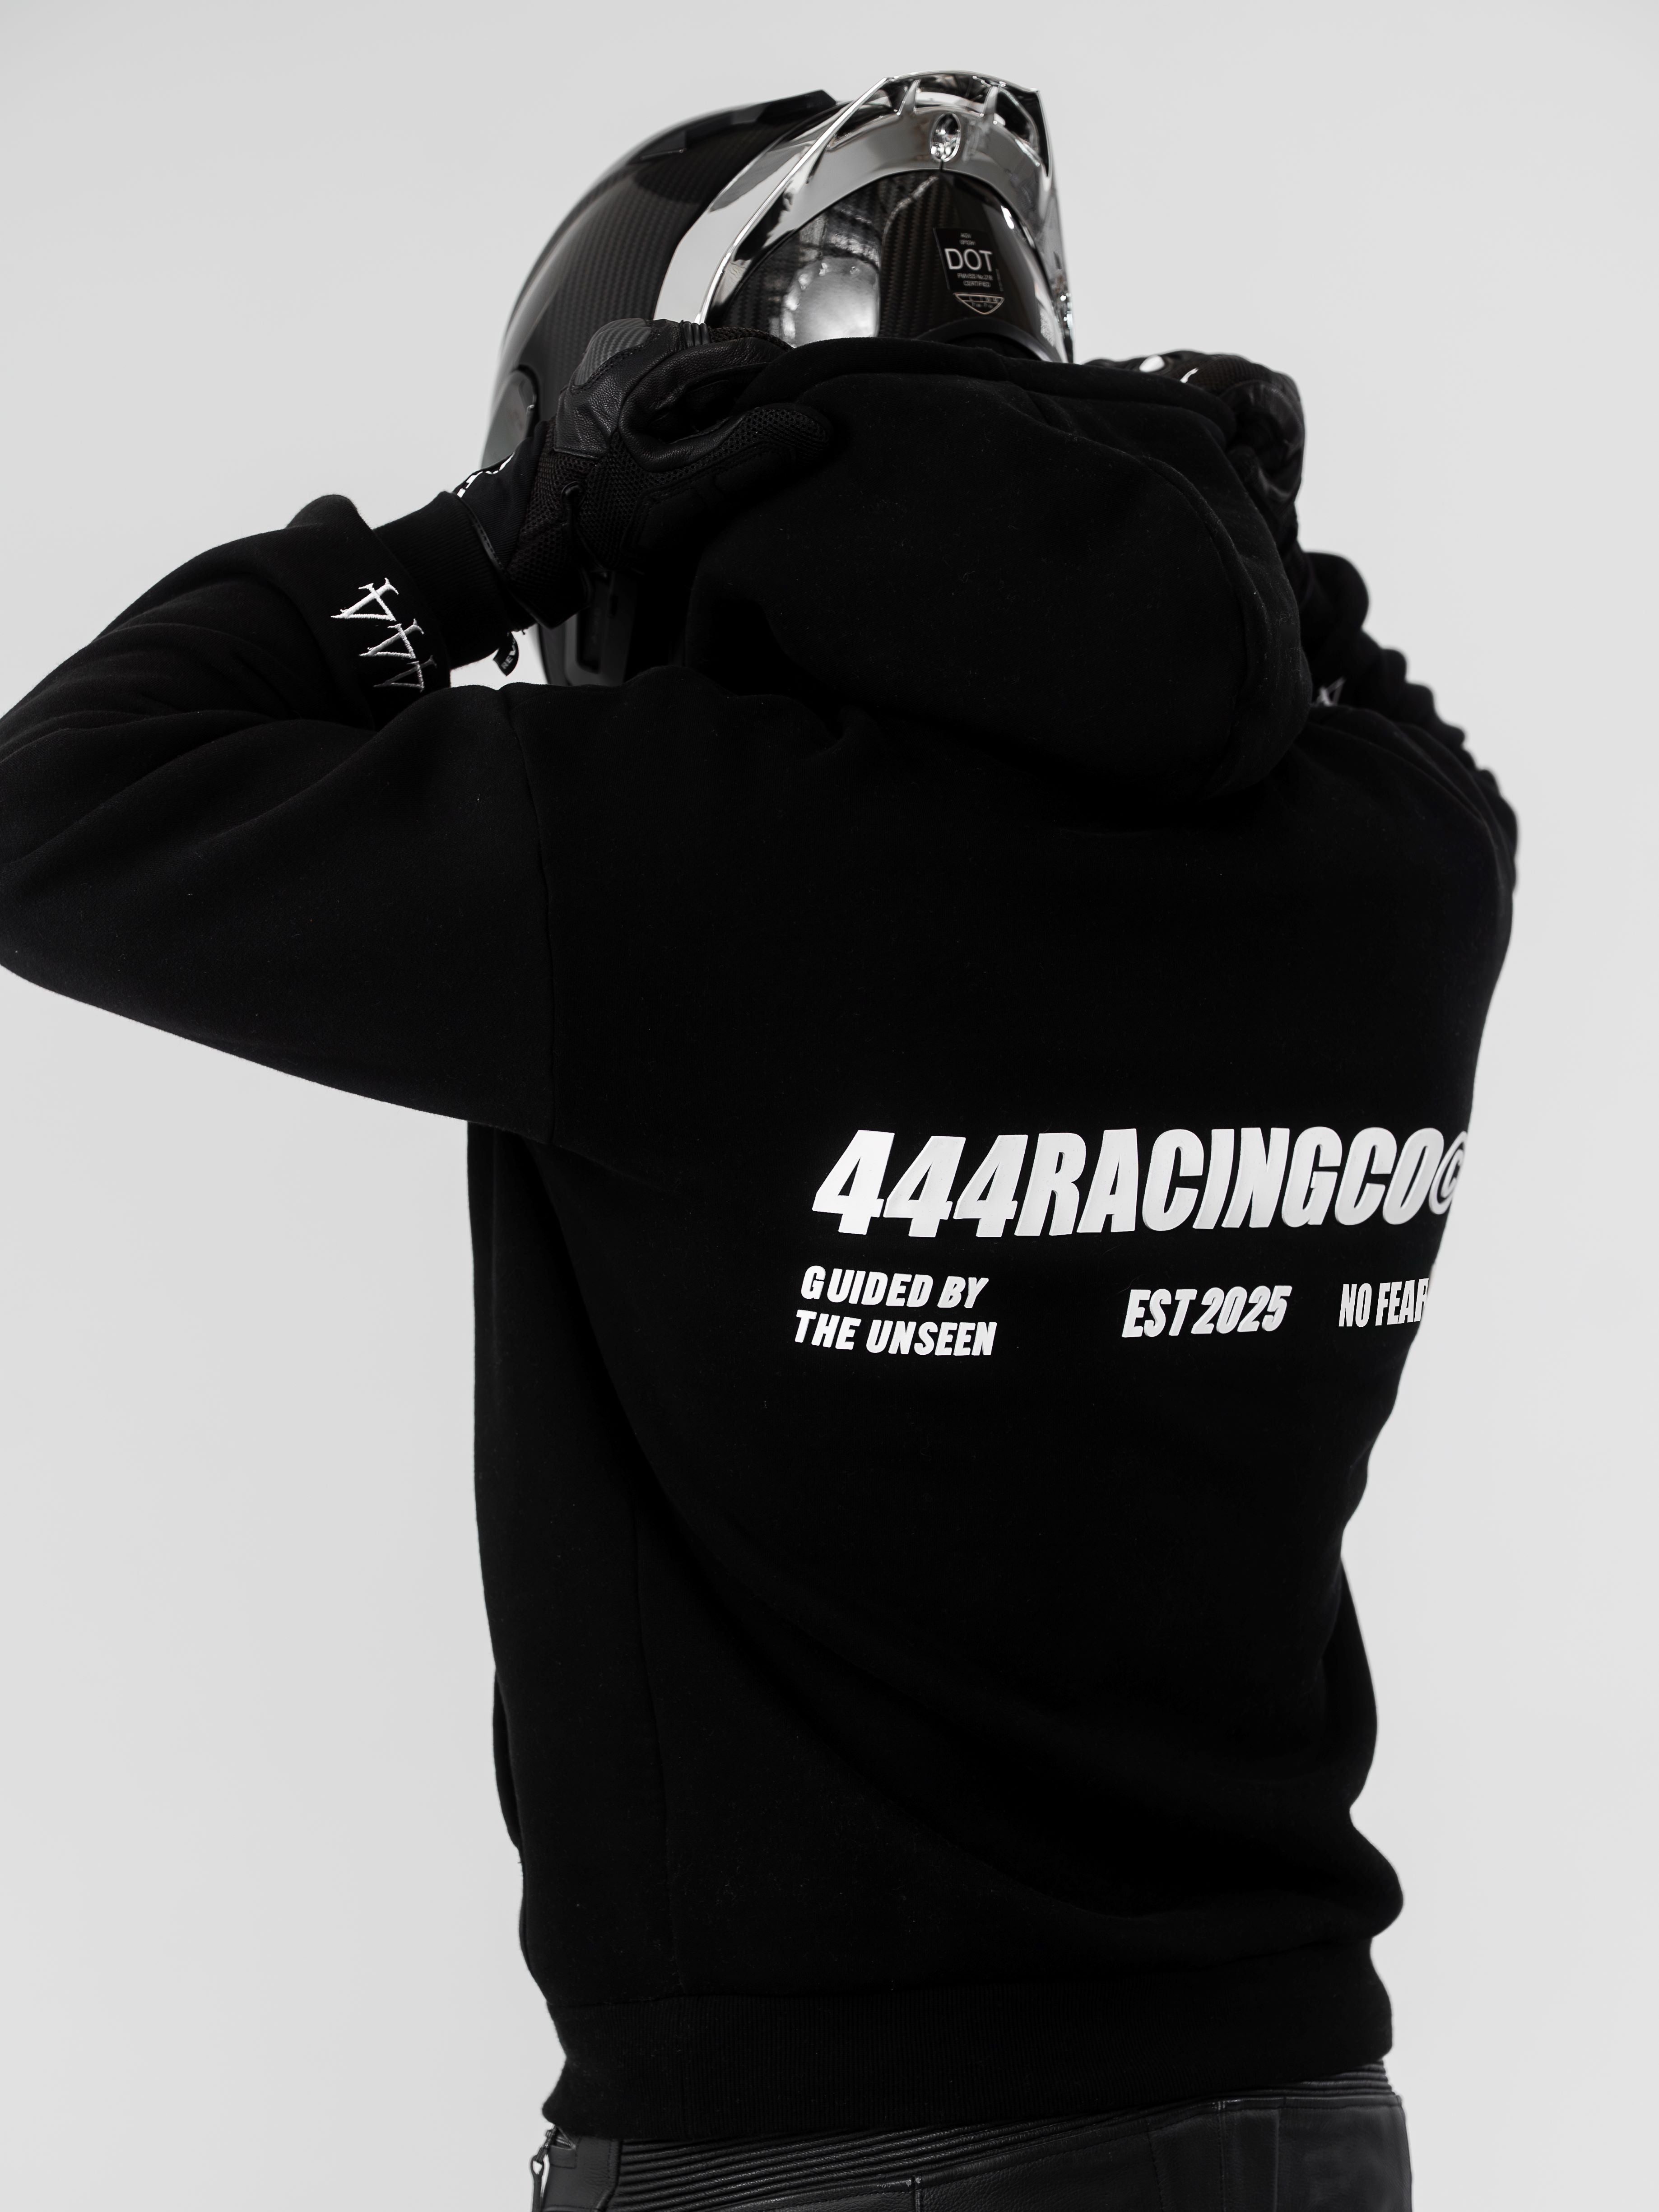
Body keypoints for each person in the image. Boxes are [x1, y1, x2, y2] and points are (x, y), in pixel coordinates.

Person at [0, 70, 1512, 2212]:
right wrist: (1228, 536)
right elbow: (1365, 704)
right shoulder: (1402, 863)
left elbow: (55, 808)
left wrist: (489, 541)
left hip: (817, 2149)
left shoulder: (649, 855)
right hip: (1300, 2112)